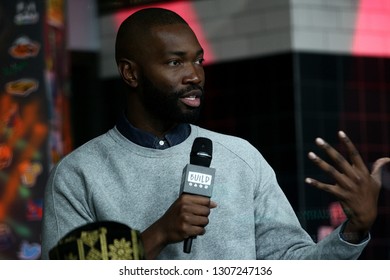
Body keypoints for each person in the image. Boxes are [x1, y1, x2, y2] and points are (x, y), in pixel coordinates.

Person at [41, 7, 390, 260]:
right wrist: (158, 234)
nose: (195, 75)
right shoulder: (78, 174)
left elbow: (290, 265)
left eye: (198, 61)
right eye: (176, 62)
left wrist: (353, 230)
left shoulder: (242, 157)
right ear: (131, 74)